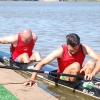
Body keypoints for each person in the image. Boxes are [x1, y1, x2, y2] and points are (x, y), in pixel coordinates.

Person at [23, 33, 100, 86]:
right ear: (67, 44)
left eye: (76, 49)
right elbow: (41, 63)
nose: (73, 52)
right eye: (71, 50)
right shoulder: (60, 51)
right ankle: (76, 84)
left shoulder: (84, 48)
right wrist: (32, 79)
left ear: (79, 44)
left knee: (91, 63)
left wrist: (93, 73)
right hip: (63, 76)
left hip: (77, 74)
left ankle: (86, 82)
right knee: (76, 65)